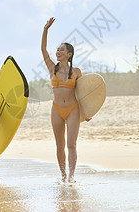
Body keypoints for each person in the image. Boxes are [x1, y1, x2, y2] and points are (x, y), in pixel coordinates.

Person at [41, 17, 88, 183]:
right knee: (59, 145)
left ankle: (71, 175)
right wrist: (46, 29)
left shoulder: (76, 71)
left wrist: (87, 113)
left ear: (69, 54)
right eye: (58, 50)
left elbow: (83, 94)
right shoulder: (52, 68)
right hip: (56, 110)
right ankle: (62, 175)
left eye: (62, 50)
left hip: (73, 109)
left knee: (71, 145)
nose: (58, 52)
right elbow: (43, 49)